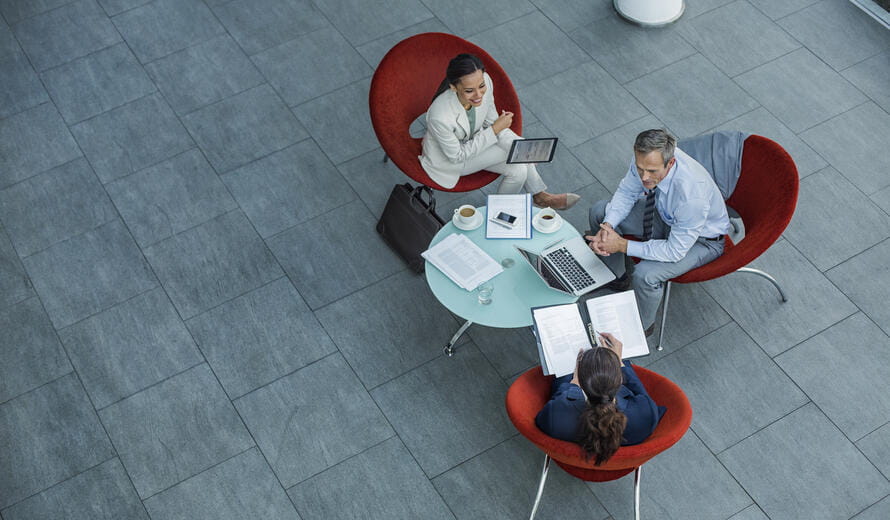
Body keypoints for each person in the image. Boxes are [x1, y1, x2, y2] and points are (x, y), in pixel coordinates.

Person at [587, 129, 730, 334]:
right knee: (600, 212)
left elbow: (674, 251)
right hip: (666, 216)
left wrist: (621, 245)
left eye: (652, 172)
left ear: (670, 163)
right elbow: (628, 191)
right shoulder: (646, 159)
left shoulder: (692, 197)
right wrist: (608, 226)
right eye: (640, 168)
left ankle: (642, 327)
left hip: (702, 241)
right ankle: (616, 278)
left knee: (646, 275)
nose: (644, 177)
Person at [419, 53, 579, 209]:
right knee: (517, 156)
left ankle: (498, 214)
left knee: (519, 171)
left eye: (481, 86)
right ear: (453, 87)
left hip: (475, 141)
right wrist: (514, 144)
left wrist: (522, 145)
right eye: (469, 91)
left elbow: (493, 124)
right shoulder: (439, 116)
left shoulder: (486, 82)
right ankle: (541, 196)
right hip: (449, 161)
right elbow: (458, 155)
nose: (479, 95)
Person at [535, 333, 665, 464]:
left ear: (580, 378)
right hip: (620, 466)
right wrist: (619, 361)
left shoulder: (554, 415)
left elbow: (543, 421)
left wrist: (573, 383)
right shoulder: (646, 413)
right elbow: (639, 392)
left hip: (570, 462)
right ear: (620, 380)